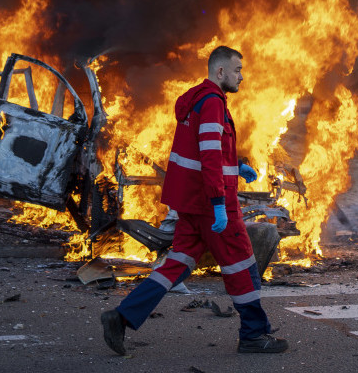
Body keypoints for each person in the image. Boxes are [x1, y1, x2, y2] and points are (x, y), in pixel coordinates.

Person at [101, 46, 289, 355]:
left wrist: (235, 167)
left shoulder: (197, 100)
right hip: (211, 206)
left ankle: (121, 317)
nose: (242, 75)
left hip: (191, 203)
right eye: (237, 69)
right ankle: (254, 334)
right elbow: (209, 155)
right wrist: (218, 202)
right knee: (243, 266)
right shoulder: (213, 103)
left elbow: (204, 150)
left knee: (177, 264)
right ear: (220, 72)